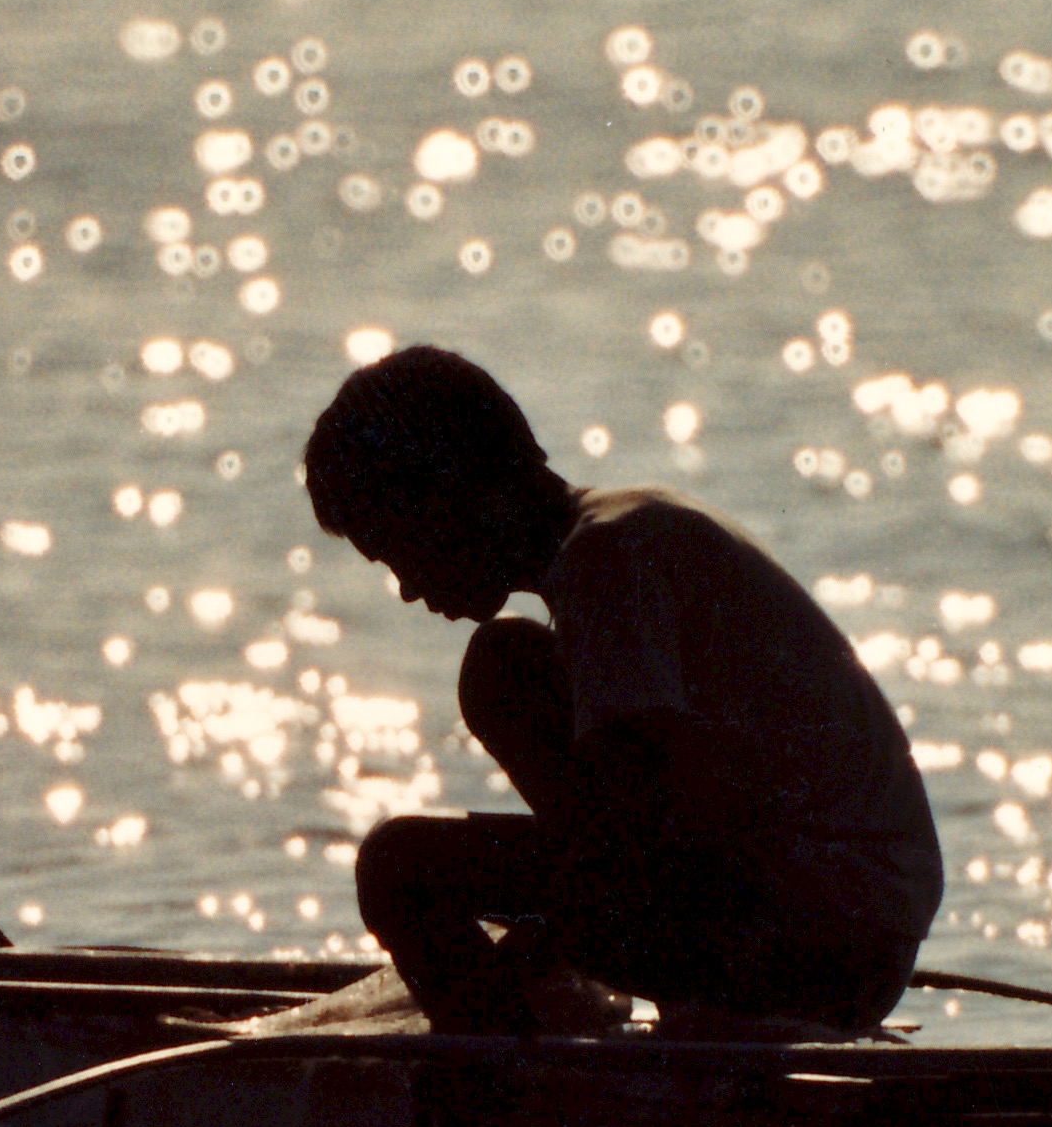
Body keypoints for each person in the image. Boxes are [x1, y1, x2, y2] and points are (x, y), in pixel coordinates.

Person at [303, 344, 941, 1035]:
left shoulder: (606, 562)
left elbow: (637, 828)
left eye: (396, 547)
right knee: (504, 666)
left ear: (451, 497)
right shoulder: (622, 526)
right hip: (843, 924)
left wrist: (516, 950)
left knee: (396, 866)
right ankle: (670, 1010)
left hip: (830, 945)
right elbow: (646, 827)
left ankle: (493, 1093)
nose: (405, 587)